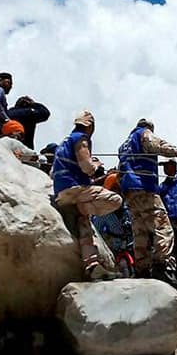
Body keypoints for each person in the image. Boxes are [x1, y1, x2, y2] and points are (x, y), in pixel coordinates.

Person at [52, 111, 122, 279]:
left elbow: (54, 171)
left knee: (84, 224)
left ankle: (92, 265)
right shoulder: (81, 139)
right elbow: (86, 167)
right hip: (75, 189)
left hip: (61, 193)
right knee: (115, 200)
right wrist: (96, 165)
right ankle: (84, 208)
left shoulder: (64, 142)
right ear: (90, 126)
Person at [118, 118, 177, 279]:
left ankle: (141, 269)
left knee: (140, 231)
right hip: (144, 187)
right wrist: (175, 152)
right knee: (163, 227)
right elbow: (155, 143)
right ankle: (160, 266)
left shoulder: (123, 146)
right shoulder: (143, 133)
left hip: (129, 192)